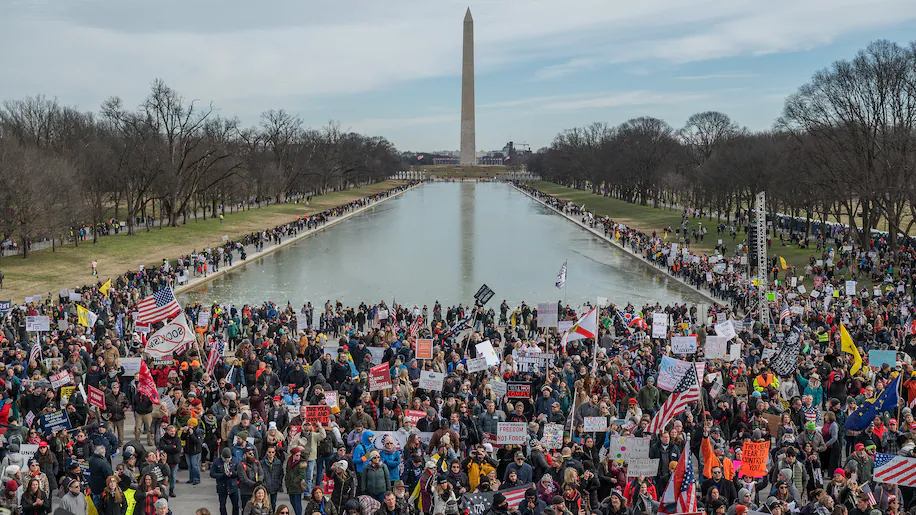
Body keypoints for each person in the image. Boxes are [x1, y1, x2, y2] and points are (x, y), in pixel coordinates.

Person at [212, 447, 242, 515]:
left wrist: (233, 473)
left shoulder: (235, 461)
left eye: (228, 458)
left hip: (233, 486)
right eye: (225, 458)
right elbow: (212, 473)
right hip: (222, 486)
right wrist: (222, 475)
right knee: (222, 505)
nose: (227, 459)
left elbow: (240, 472)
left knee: (235, 505)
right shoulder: (217, 462)